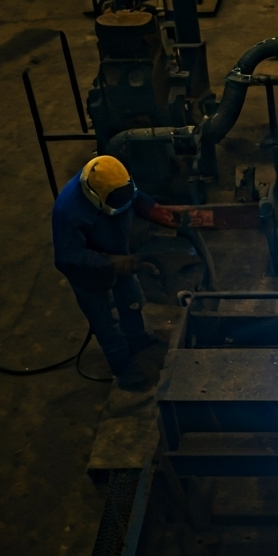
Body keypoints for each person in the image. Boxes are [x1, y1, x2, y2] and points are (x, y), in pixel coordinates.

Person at [52, 155, 183, 390]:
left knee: (132, 299)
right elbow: (66, 257)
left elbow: (134, 197)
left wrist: (154, 210)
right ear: (95, 197)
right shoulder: (68, 211)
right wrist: (108, 262)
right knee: (105, 322)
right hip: (86, 272)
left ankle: (137, 338)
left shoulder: (116, 181)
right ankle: (124, 368)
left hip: (118, 255)